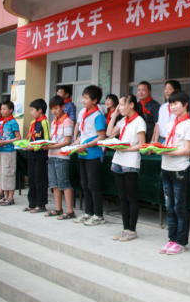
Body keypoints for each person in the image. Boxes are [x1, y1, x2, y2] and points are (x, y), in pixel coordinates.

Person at [158, 91, 190, 255]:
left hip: (180, 169)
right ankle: (171, 239)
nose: (172, 107)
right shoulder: (170, 124)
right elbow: (168, 144)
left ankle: (181, 241)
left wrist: (166, 151)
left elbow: (187, 150)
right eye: (170, 104)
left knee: (179, 207)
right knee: (169, 207)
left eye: (176, 103)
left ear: (185, 104)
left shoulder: (189, 125)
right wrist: (158, 148)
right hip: (166, 168)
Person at [107, 94, 147, 242]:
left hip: (130, 162)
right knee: (122, 197)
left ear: (131, 105)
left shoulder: (139, 121)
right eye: (119, 105)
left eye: (123, 104)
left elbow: (142, 145)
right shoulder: (123, 120)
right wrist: (114, 115)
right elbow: (109, 133)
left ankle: (132, 230)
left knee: (131, 197)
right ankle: (125, 229)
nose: (120, 107)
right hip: (118, 160)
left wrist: (126, 149)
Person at [72, 85, 107, 226]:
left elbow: (101, 137)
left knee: (94, 185)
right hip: (83, 154)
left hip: (93, 154)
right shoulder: (83, 113)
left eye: (86, 98)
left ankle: (98, 215)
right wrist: (74, 145)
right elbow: (83, 134)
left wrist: (85, 145)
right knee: (85, 184)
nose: (83, 100)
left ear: (94, 100)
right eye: (83, 97)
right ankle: (88, 212)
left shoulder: (98, 116)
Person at [44, 95, 75, 220]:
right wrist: (46, 145)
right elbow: (53, 138)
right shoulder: (53, 122)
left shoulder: (67, 121)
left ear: (62, 107)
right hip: (51, 155)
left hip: (62, 156)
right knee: (54, 184)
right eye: (52, 109)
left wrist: (51, 146)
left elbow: (67, 141)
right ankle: (58, 209)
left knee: (64, 183)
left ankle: (70, 211)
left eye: (56, 108)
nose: (54, 111)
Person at [24, 98, 50, 214]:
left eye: (32, 110)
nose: (31, 112)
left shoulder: (45, 122)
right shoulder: (32, 123)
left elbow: (47, 141)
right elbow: (30, 138)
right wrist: (25, 145)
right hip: (31, 154)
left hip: (41, 155)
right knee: (31, 179)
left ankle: (41, 204)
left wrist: (34, 147)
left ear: (40, 110)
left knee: (40, 180)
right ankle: (32, 204)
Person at [0, 101, 21, 206]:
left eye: (4, 109)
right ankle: (5, 196)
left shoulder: (13, 122)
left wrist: (5, 142)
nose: (2, 111)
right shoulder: (4, 122)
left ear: (11, 110)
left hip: (9, 151)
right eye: (1, 109)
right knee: (2, 173)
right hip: (1, 150)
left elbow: (18, 137)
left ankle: (10, 198)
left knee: (8, 173)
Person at [152, 80, 181, 144]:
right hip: (161, 140)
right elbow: (158, 125)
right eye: (165, 89)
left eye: (169, 89)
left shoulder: (180, 107)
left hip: (175, 141)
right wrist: (154, 142)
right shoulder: (162, 107)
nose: (166, 91)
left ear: (176, 91)